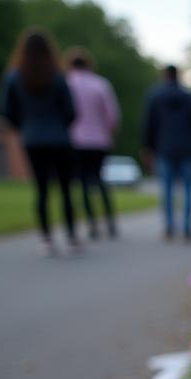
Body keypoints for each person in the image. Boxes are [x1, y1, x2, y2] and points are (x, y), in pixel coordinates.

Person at [0, 28, 79, 255]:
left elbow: (7, 111)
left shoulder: (14, 77)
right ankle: (71, 237)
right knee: (65, 190)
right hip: (59, 139)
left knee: (42, 190)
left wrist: (25, 127)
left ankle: (46, 239)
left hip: (32, 139)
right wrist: (60, 126)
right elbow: (71, 111)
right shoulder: (58, 76)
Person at [141, 65, 191, 241]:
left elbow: (149, 125)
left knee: (167, 190)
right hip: (188, 148)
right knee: (188, 190)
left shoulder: (155, 97)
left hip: (165, 148)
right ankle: (187, 226)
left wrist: (148, 148)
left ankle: (169, 226)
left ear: (164, 76)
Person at [64, 47, 120, 240]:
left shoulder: (67, 84)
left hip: (76, 142)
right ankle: (111, 221)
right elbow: (112, 115)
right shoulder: (100, 84)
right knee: (100, 181)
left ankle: (92, 223)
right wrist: (109, 133)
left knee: (84, 183)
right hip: (99, 141)